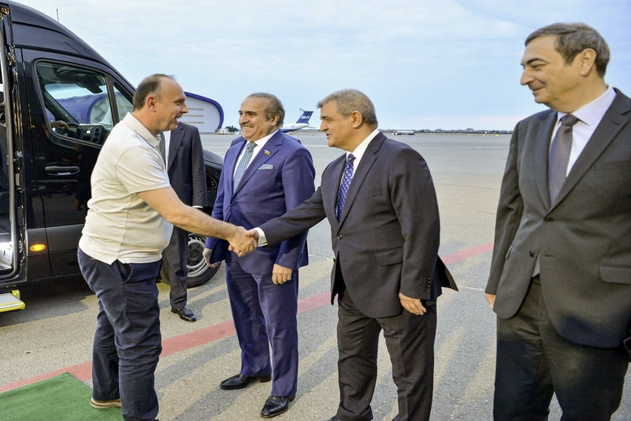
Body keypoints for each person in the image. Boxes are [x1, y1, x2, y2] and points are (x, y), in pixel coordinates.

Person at [251, 89, 457, 421]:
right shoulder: (336, 169)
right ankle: (352, 415)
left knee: (410, 372)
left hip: (399, 289)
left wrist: (413, 287)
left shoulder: (400, 158)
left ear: (355, 118)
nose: (322, 127)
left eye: (327, 119)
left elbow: (421, 228)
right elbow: (305, 212)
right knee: (352, 360)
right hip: (351, 286)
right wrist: (258, 235)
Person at [77, 74, 255, 421]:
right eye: (179, 102)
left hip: (107, 254)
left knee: (112, 326)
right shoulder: (132, 147)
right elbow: (176, 213)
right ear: (152, 103)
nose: (184, 110)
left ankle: (107, 393)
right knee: (140, 345)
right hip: (122, 262)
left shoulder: (137, 136)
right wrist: (233, 232)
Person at [485, 23, 631, 421]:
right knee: (512, 411)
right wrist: (497, 280)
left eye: (535, 65)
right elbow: (512, 210)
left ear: (584, 61)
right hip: (521, 300)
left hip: (598, 308)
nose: (524, 78)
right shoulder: (529, 129)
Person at [202, 93, 315, 418]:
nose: (243, 119)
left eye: (251, 114)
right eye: (241, 113)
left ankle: (283, 389)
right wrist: (212, 242)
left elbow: (299, 215)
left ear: (273, 118)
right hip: (235, 254)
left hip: (272, 257)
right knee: (245, 316)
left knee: (279, 325)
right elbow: (224, 200)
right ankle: (255, 367)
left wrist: (287, 260)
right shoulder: (236, 147)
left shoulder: (292, 153)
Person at [160, 122, 207, 322]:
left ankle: (178, 303)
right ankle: (141, 304)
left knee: (176, 256)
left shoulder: (189, 132)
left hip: (177, 202)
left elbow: (197, 169)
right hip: (146, 203)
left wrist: (197, 206)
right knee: (142, 257)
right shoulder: (142, 129)